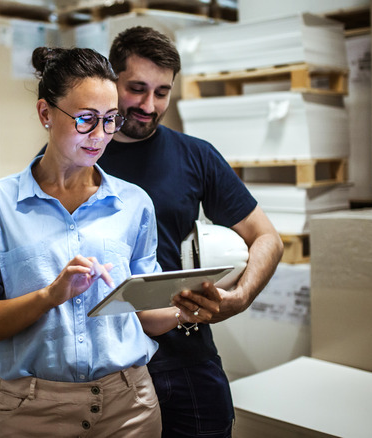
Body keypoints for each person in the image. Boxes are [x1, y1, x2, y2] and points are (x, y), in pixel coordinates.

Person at [0, 47, 207, 438]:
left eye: (110, 119)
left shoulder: (134, 203)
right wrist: (50, 295)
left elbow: (142, 314)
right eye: (86, 119)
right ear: (45, 113)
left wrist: (185, 310)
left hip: (129, 407)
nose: (100, 136)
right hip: (31, 412)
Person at [99, 27, 285, 437]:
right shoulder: (77, 156)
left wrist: (240, 297)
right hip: (105, 362)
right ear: (112, 81)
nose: (149, 105)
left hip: (185, 356)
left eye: (162, 92)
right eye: (137, 89)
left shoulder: (195, 155)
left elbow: (267, 238)